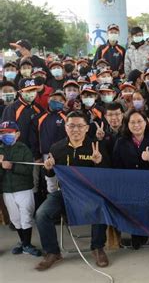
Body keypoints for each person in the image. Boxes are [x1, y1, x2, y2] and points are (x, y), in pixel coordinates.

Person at [36, 111, 111, 271]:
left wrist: (99, 162)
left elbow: (106, 176)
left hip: (90, 194)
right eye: (71, 126)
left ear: (86, 128)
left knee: (102, 205)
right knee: (42, 214)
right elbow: (51, 173)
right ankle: (52, 252)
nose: (75, 129)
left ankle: (97, 247)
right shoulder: (56, 148)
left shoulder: (96, 146)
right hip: (65, 194)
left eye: (80, 126)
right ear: (65, 127)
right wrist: (48, 169)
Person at [112, 110, 149, 249]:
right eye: (132, 122)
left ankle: (142, 233)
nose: (136, 125)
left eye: (139, 121)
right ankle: (135, 234)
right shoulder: (121, 142)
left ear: (146, 123)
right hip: (128, 186)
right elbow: (116, 167)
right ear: (127, 124)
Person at [0, 121, 42, 257]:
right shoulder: (0, 150)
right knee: (15, 218)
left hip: (23, 189)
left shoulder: (24, 149)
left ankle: (27, 244)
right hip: (7, 190)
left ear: (17, 134)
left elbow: (28, 169)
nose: (6, 135)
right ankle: (23, 243)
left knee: (26, 217)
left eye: (9, 132)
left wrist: (11, 166)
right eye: (2, 133)